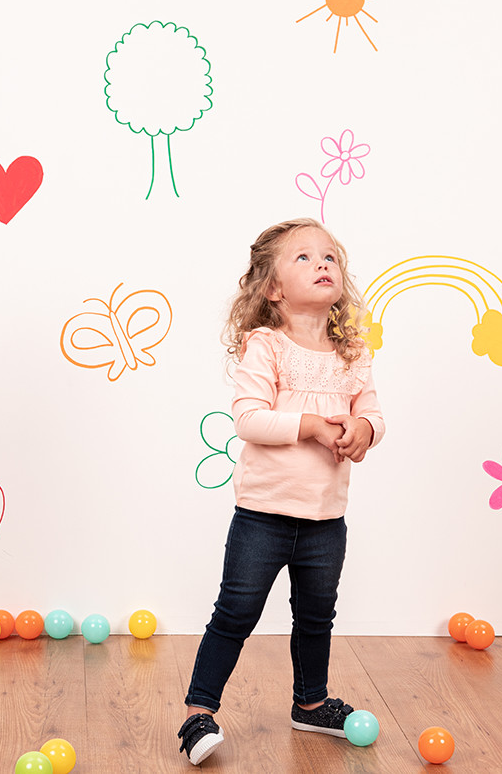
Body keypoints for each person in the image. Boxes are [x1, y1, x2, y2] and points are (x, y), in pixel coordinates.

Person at [177, 218, 385, 765]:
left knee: (317, 616)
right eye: (304, 258)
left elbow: (372, 412)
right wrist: (313, 425)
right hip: (263, 517)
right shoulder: (265, 345)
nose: (322, 265)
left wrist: (364, 431)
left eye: (330, 257)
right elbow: (248, 419)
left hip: (325, 519)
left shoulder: (351, 350)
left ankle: (310, 703)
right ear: (272, 288)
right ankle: (199, 713)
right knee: (236, 613)